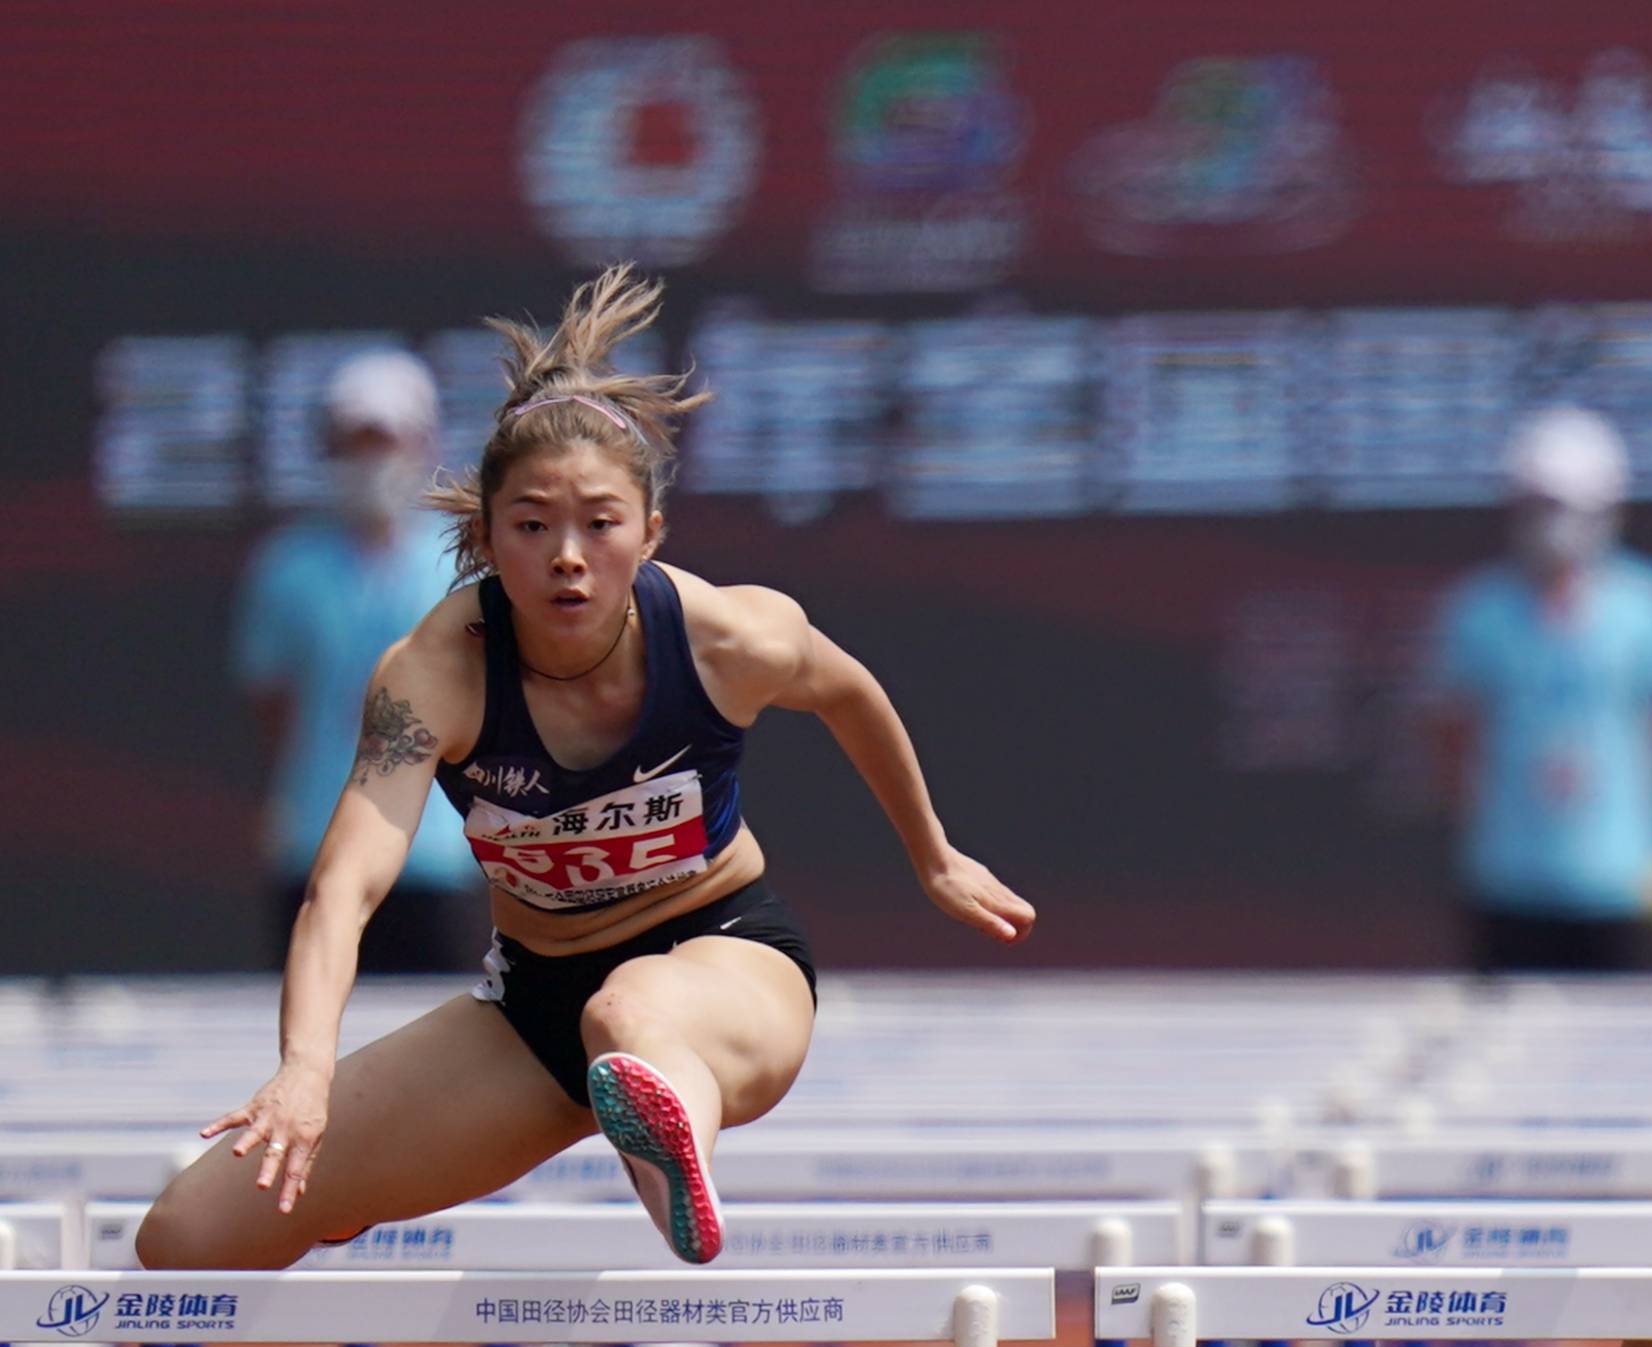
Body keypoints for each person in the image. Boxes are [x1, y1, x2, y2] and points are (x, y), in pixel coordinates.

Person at [137, 265, 1034, 1273]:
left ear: (650, 533)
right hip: (532, 1011)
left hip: (725, 962)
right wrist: (304, 1071)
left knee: (632, 1017)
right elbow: (344, 884)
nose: (568, 557)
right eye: (531, 527)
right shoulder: (436, 672)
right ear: (482, 538)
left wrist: (934, 854)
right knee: (187, 1235)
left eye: (600, 525)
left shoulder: (725, 632)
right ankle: (493, 1148)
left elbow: (847, 690)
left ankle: (669, 1144)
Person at [1422, 406, 1652, 973]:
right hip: (1508, 880)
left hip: (1622, 880)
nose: (1550, 524)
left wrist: (1637, 821)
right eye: (1536, 506)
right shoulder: (1478, 611)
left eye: (1564, 506)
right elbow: (1453, 737)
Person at [232, 348, 483, 975]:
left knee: (441, 1045)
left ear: (424, 441)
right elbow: (274, 706)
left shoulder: (461, 565)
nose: (373, 462)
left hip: (435, 853)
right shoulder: (287, 566)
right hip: (316, 847)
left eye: (387, 441)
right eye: (355, 443)